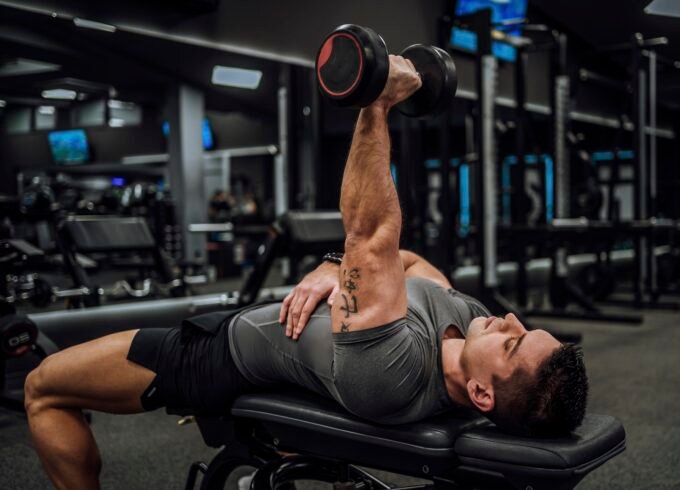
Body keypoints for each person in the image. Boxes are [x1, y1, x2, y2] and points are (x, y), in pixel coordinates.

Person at [24, 55, 588, 490]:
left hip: (217, 356)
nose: (509, 319)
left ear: (483, 396)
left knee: (44, 386)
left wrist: (376, 103)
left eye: (513, 343)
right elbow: (409, 264)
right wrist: (337, 270)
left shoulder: (392, 372)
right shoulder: (469, 323)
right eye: (523, 325)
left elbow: (372, 233)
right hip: (269, 334)